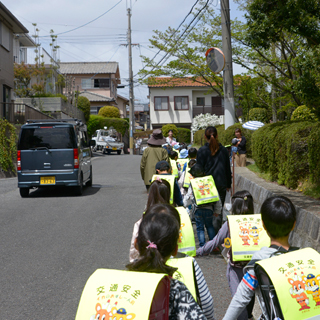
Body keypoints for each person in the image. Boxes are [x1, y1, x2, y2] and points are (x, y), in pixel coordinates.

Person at [126, 204, 209, 320]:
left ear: (136, 244)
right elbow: (206, 304)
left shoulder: (123, 282)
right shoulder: (175, 289)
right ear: (175, 249)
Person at [222, 195, 297, 320]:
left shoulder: (259, 261)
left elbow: (241, 297)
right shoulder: (305, 257)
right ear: (294, 224)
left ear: (263, 225)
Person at [197, 190, 255, 320]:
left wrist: (199, 252)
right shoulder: (257, 223)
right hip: (253, 268)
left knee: (238, 299)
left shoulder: (230, 224)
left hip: (236, 269)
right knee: (250, 296)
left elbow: (215, 242)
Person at [129, 179, 171, 262]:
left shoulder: (142, 221)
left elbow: (134, 249)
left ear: (149, 195)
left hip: (146, 263)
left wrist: (134, 261)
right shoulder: (175, 217)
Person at [183, 163, 222, 247]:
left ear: (193, 175)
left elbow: (189, 196)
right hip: (209, 209)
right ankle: (213, 245)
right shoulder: (209, 182)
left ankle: (202, 246)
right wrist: (217, 210)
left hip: (198, 210)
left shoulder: (193, 183)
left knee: (200, 229)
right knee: (210, 226)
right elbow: (217, 196)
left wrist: (184, 204)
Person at [196, 126, 232, 207]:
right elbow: (227, 169)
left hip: (206, 185)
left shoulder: (202, 151)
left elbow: (199, 170)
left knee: (207, 210)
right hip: (221, 183)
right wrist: (228, 184)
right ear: (217, 136)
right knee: (219, 211)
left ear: (205, 136)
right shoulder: (224, 150)